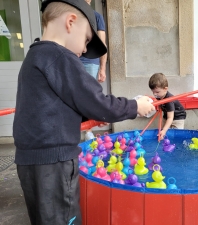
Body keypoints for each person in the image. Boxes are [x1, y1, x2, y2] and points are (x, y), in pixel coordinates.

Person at [12, 1, 155, 224]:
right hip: (54, 162)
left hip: (33, 162)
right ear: (70, 22)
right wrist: (135, 107)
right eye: (87, 39)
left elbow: (51, 108)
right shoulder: (59, 57)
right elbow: (97, 101)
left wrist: (87, 116)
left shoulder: (35, 57)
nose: (85, 50)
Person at [80, 0, 108, 140]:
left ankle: (88, 130)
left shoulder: (97, 17)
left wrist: (102, 68)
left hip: (91, 62)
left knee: (88, 96)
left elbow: (102, 44)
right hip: (72, 59)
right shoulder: (73, 14)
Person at [148, 73, 186, 141]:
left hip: (178, 117)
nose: (155, 94)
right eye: (153, 92)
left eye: (157, 92)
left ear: (165, 89)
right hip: (167, 115)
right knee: (162, 131)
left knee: (176, 134)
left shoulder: (169, 100)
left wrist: (164, 130)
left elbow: (170, 118)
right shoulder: (160, 96)